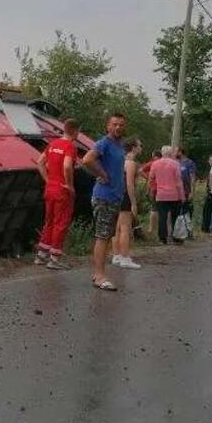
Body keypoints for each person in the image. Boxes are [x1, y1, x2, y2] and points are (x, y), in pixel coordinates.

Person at [82, 113, 127, 291]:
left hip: (115, 196)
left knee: (107, 235)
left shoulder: (120, 145)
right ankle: (100, 276)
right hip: (104, 196)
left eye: (121, 125)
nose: (118, 128)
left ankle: (98, 273)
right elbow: (87, 160)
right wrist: (102, 174)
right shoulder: (104, 143)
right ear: (108, 126)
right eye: (114, 124)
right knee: (102, 236)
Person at [34, 119, 80, 270]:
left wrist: (47, 180)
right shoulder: (70, 147)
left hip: (50, 188)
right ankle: (54, 258)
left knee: (49, 221)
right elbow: (67, 166)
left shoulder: (53, 144)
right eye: (78, 131)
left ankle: (41, 255)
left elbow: (39, 162)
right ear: (74, 130)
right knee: (61, 223)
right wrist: (70, 185)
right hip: (62, 190)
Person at [112, 138, 142, 269]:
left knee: (117, 227)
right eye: (140, 145)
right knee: (125, 227)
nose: (141, 148)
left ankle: (116, 255)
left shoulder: (120, 160)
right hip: (125, 195)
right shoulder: (130, 163)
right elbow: (129, 183)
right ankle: (124, 257)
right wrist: (133, 202)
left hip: (116, 194)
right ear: (134, 147)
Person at [148, 146, 187, 244]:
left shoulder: (155, 164)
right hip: (174, 195)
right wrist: (182, 196)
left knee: (162, 217)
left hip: (161, 194)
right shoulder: (175, 164)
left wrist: (152, 189)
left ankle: (162, 238)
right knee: (175, 216)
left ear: (161, 153)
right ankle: (176, 237)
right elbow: (179, 181)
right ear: (170, 154)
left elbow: (151, 178)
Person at [141, 149, 162, 237]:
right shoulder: (163, 163)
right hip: (163, 189)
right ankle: (159, 227)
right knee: (162, 209)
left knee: (154, 208)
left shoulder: (152, 163)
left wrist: (148, 178)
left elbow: (140, 170)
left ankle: (151, 228)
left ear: (154, 156)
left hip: (153, 188)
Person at [176, 147, 197, 234]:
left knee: (186, 211)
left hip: (186, 191)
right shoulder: (176, 162)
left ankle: (188, 230)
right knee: (177, 211)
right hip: (176, 192)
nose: (175, 153)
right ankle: (179, 230)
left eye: (176, 151)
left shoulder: (189, 163)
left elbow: (192, 178)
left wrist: (192, 191)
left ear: (181, 152)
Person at [202, 154, 212, 233]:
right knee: (207, 210)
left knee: (211, 210)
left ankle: (209, 227)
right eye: (209, 160)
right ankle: (206, 227)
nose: (209, 162)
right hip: (209, 192)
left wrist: (211, 190)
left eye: (211, 160)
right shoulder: (211, 169)